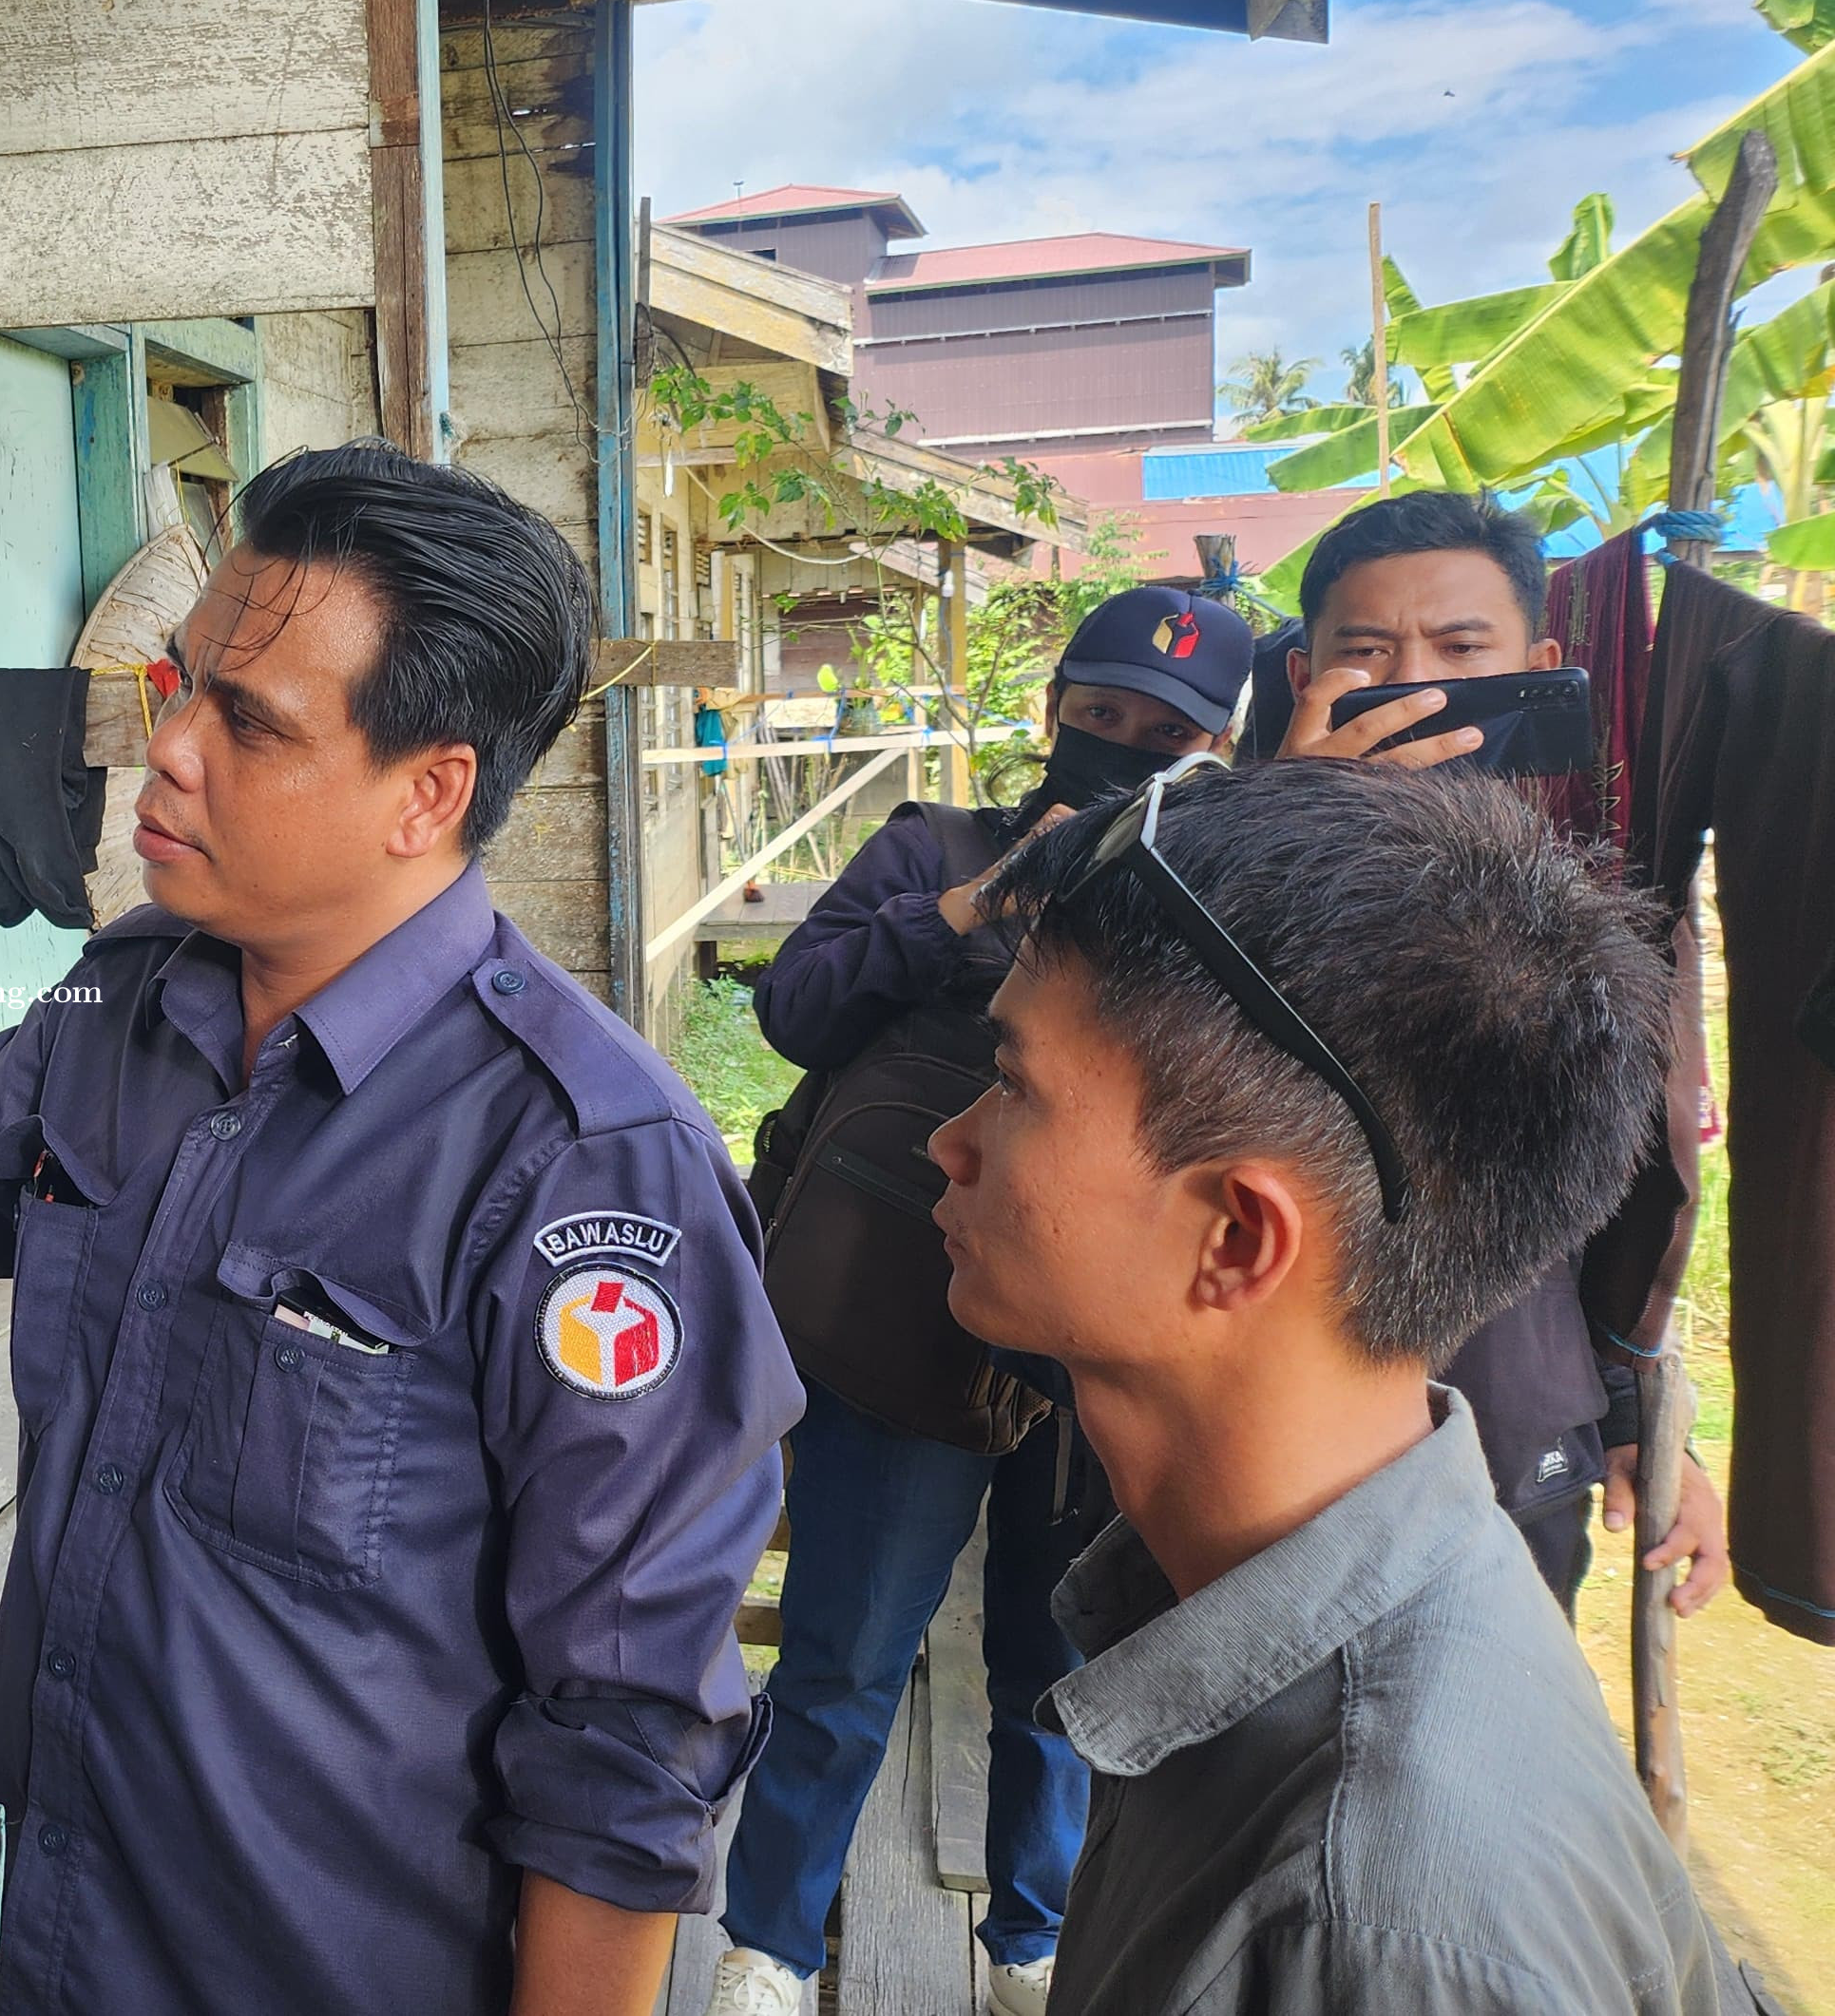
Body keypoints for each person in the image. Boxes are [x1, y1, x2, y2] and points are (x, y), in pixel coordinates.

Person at [0, 443, 802, 2016]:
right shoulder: (131, 991)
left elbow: (623, 1742)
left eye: (250, 721)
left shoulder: (585, 1167)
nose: (167, 749)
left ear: (428, 791)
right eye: (183, 686)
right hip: (45, 1950)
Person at [928, 756, 1758, 2015]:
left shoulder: (1373, 1924)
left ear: (1239, 1242)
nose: (952, 1141)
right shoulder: (1263, 1594)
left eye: (1015, 1086)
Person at [711, 585, 1254, 2016]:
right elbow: (795, 1010)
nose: (1118, 751)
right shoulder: (931, 847)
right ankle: (767, 1941)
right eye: (1098, 720)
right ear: (1053, 712)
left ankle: (1029, 1942)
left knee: (1058, 1668)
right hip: (898, 1327)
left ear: (1217, 749)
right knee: (843, 1659)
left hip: (1098, 1353)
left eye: (1162, 739)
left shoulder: (1225, 904)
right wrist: (976, 907)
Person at [1271, 489, 1728, 1619]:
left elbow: (1629, 1182)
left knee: (1486, 1759)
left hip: (1515, 1424)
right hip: (1266, 1428)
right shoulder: (1208, 864)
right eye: (1368, 652)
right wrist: (1289, 822)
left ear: (1540, 662)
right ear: (1303, 678)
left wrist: (1630, 1409)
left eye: (1462, 648)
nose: (1418, 682)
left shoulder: (1598, 899)